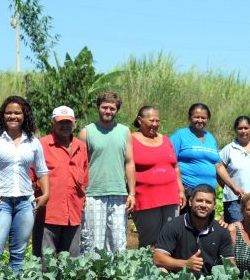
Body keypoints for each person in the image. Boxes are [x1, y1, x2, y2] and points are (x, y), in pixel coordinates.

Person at [0, 96, 49, 272]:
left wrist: (46, 194)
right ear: (2, 115)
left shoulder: (33, 141)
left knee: (19, 255)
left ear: (25, 115)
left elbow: (42, 170)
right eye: (8, 113)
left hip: (25, 204)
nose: (12, 116)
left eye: (17, 113)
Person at [78, 91, 136, 254]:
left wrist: (132, 193)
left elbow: (129, 162)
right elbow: (80, 165)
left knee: (117, 242)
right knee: (91, 243)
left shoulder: (125, 132)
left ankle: (113, 278)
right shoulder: (86, 132)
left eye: (112, 108)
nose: (108, 111)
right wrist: (81, 192)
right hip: (93, 193)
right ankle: (90, 278)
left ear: (117, 110)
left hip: (118, 193)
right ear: (98, 108)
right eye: (105, 107)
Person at [31, 106, 88, 259]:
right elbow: (29, 176)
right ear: (52, 124)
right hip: (48, 214)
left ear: (74, 124)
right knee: (44, 263)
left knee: (71, 264)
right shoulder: (41, 145)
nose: (65, 126)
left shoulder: (80, 147)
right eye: (60, 122)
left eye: (68, 122)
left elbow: (84, 179)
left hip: (73, 215)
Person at [170, 103, 243, 211]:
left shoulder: (210, 138)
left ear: (208, 119)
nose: (200, 120)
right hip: (188, 190)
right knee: (185, 224)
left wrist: (233, 186)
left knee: (205, 226)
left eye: (203, 117)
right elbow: (171, 163)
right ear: (190, 117)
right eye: (196, 117)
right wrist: (179, 189)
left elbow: (218, 166)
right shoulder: (180, 135)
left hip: (208, 192)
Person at [131, 105, 185, 248]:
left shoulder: (166, 139)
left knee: (170, 238)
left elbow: (175, 166)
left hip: (170, 197)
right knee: (149, 241)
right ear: (140, 120)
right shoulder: (130, 140)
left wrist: (180, 191)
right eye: (151, 121)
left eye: (157, 121)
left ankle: (167, 269)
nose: (155, 124)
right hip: (146, 198)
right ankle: (146, 269)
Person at [153, 184, 235, 275]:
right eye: (199, 200)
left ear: (214, 205)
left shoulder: (221, 231)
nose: (203, 205)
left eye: (208, 202)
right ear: (190, 201)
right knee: (161, 271)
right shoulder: (173, 226)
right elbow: (158, 258)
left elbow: (230, 265)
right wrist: (185, 264)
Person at [220, 116, 250, 223]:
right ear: (235, 130)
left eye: (246, 128)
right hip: (234, 200)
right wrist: (229, 187)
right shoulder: (228, 149)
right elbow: (219, 172)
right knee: (236, 231)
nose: (243, 131)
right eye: (240, 128)